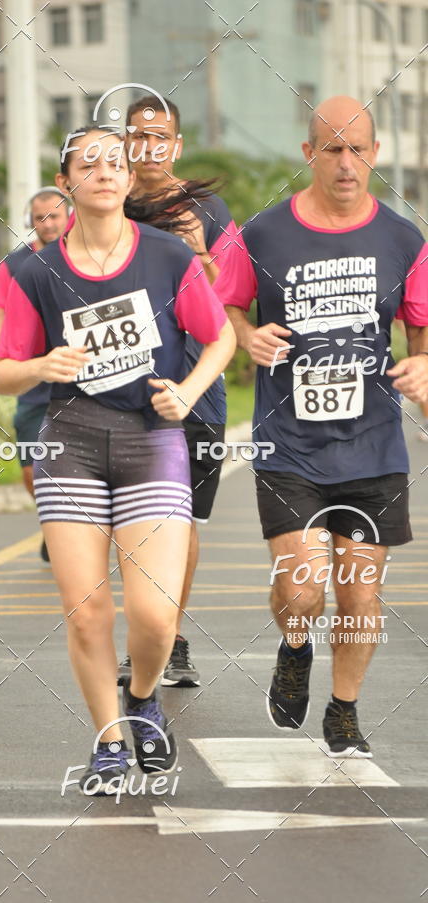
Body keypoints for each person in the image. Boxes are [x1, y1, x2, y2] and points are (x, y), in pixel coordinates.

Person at [0, 126, 236, 794]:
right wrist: (41, 363)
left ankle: (144, 695)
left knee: (154, 615)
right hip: (69, 439)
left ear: (130, 181)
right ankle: (106, 741)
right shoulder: (34, 270)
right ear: (66, 180)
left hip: (149, 438)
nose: (104, 169)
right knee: (88, 610)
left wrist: (187, 392)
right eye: (88, 161)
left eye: (116, 161)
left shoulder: (164, 256)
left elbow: (221, 336)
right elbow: (2, 374)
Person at [215, 95, 428, 758]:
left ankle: (344, 708)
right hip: (290, 443)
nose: (345, 162)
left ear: (375, 154)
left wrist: (423, 371)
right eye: (332, 148)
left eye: (357, 148)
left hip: (374, 443)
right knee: (303, 588)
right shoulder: (262, 235)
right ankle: (294, 644)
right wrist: (246, 336)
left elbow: (419, 335)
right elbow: (219, 308)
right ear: (308, 153)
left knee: (361, 594)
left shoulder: (404, 240)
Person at [115, 94, 237, 689]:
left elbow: (235, 301)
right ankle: (144, 634)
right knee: (134, 523)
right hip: (122, 391)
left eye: (161, 135)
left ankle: (172, 637)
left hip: (198, 391)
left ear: (178, 144)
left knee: (182, 524)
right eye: (138, 135)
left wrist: (198, 252)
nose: (149, 147)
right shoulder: (107, 201)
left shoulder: (211, 210)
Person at [0, 188, 71, 561]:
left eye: (54, 216)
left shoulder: (84, 257)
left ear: (69, 217)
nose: (48, 224)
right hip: (32, 379)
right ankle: (55, 521)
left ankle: (72, 530)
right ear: (30, 222)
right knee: (32, 471)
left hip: (79, 376)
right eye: (40, 218)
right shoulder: (17, 264)